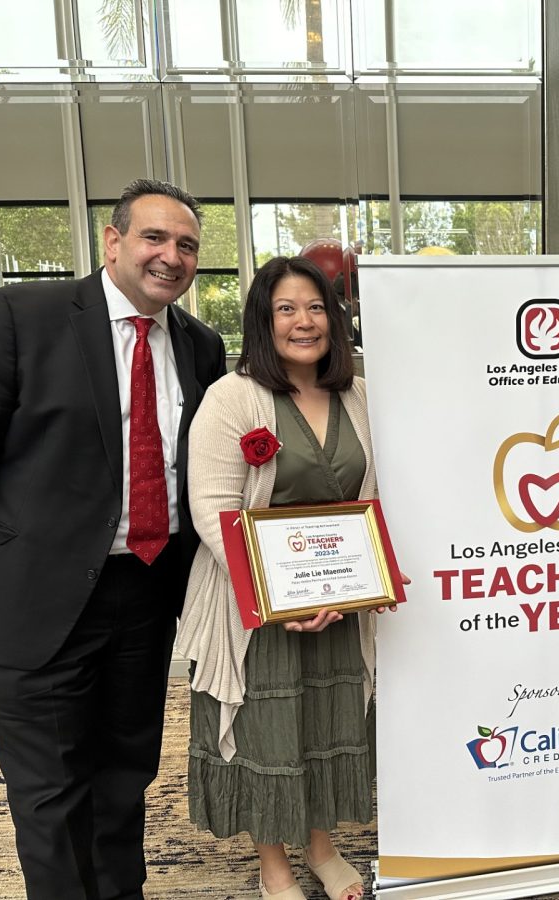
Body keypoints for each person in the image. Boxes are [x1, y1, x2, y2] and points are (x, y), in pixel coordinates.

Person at [0, 179, 227, 898]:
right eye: (154, 237)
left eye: (187, 245)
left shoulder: (200, 345)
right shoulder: (22, 317)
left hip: (148, 594)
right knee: (51, 793)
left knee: (124, 776)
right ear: (112, 242)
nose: (171, 256)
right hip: (37, 598)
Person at [175, 255, 384, 900]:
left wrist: (360, 583)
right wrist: (273, 598)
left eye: (317, 307)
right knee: (269, 730)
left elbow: (373, 494)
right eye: (286, 309)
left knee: (328, 720)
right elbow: (212, 508)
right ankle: (274, 864)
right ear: (264, 322)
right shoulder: (233, 396)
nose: (304, 321)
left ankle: (322, 847)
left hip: (339, 601)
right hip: (255, 607)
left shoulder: (358, 393)